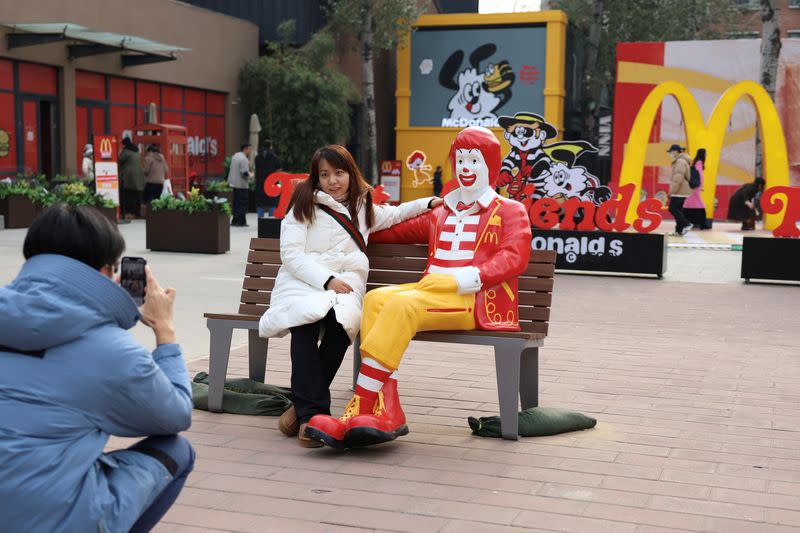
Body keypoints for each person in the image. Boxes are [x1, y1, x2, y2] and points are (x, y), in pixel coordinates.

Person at [305, 127, 532, 449]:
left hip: (473, 300)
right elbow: (391, 231)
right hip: (430, 292)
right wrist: (341, 225)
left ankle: (360, 406)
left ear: (491, 166)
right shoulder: (441, 211)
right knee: (376, 299)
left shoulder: (509, 211)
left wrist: (460, 279)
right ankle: (388, 410)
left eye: (475, 161)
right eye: (461, 160)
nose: (466, 168)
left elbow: (514, 257)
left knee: (402, 306)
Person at [0, 204, 194, 533]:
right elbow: (176, 414)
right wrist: (164, 329)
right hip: (45, 520)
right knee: (176, 450)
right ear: (105, 271)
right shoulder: (111, 349)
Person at [259, 145, 440, 447]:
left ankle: (299, 408)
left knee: (341, 328)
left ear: (350, 173)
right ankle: (310, 418)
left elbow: (396, 214)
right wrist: (326, 280)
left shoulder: (362, 207)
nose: (333, 181)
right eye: (325, 174)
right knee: (303, 326)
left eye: (339, 173)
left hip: (346, 285)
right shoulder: (303, 205)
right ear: (316, 178)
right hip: (304, 281)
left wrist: (429, 202)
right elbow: (290, 254)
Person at [667, 143, 693, 236]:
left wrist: (671, 191)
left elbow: (678, 177)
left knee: (672, 208)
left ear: (675, 151)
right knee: (678, 209)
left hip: (679, 189)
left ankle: (687, 224)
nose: (670, 154)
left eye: (671, 152)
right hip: (682, 189)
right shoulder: (682, 160)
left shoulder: (680, 161)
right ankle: (679, 231)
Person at [119, 137, 145, 219]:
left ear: (124, 144)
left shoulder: (126, 151)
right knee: (138, 195)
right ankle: (137, 212)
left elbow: (119, 160)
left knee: (127, 195)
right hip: (139, 176)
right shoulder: (136, 151)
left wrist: (120, 152)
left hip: (129, 176)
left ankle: (128, 212)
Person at [227, 143, 254, 226]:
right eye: (250, 149)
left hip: (234, 184)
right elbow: (244, 173)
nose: (250, 151)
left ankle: (235, 221)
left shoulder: (235, 156)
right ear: (245, 149)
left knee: (236, 203)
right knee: (242, 204)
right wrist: (252, 175)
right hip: (242, 185)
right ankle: (241, 222)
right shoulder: (244, 159)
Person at [254, 140, 281, 218]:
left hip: (260, 183)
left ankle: (260, 220)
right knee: (272, 202)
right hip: (271, 182)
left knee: (260, 203)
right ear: (270, 146)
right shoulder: (274, 157)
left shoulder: (257, 157)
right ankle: (271, 221)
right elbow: (278, 169)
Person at [683, 148, 707, 230]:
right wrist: (700, 185)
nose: (706, 155)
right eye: (705, 153)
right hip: (696, 187)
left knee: (690, 203)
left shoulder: (696, 162)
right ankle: (702, 223)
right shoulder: (699, 162)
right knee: (699, 204)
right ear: (702, 154)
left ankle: (688, 221)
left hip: (694, 186)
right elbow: (700, 175)